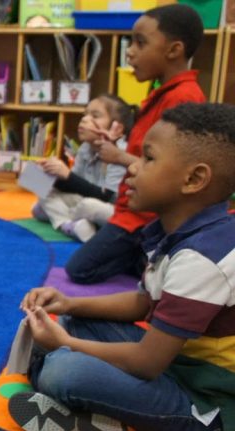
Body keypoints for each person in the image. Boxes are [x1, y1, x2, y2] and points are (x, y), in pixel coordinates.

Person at [9, 103, 235, 431]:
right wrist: (69, 303)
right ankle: (95, 407)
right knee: (74, 321)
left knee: (64, 371)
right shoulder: (178, 232)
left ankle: (81, 398)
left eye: (147, 159)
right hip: (181, 366)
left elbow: (147, 362)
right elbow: (144, 301)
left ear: (193, 179)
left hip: (209, 409)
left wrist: (62, 344)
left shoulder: (203, 258)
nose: (131, 168)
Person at [65, 4, 206, 284]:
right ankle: (146, 258)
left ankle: (144, 257)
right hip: (131, 208)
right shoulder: (161, 93)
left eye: (140, 43)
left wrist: (119, 157)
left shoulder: (182, 98)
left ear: (174, 50)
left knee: (78, 270)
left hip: (143, 216)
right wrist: (118, 146)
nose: (130, 51)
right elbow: (147, 150)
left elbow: (171, 169)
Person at [32, 94, 134, 242]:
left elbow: (107, 197)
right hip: (83, 202)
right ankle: (72, 225)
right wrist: (51, 175)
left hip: (112, 209)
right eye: (85, 114)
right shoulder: (85, 148)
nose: (85, 119)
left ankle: (61, 218)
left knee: (88, 206)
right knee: (42, 190)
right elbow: (76, 187)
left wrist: (68, 176)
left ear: (116, 128)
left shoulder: (119, 152)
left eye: (95, 116)